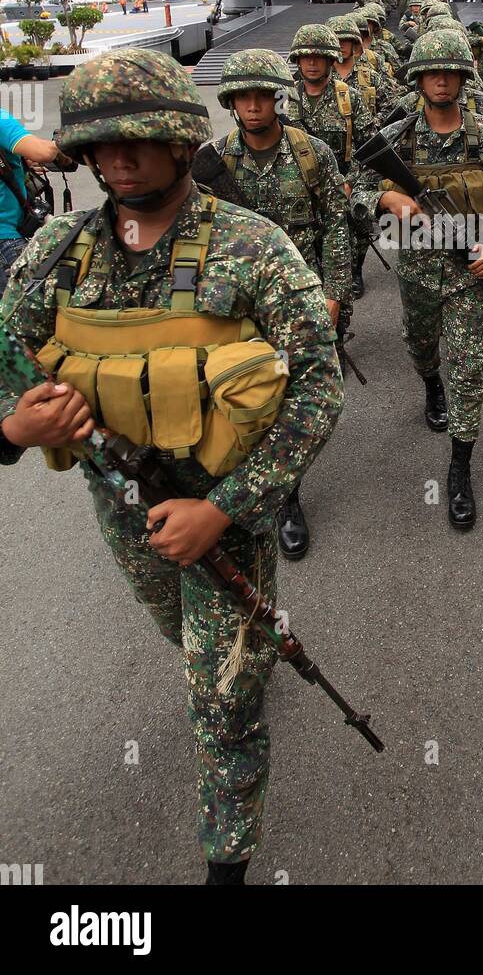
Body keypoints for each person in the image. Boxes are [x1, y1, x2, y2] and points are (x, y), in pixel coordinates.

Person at [0, 48, 343, 884]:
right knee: (182, 637)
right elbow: (9, 365)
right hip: (124, 513)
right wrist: (13, 427)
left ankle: (227, 866)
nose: (120, 158)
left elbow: (316, 391)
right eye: (103, 144)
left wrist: (224, 511)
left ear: (183, 142)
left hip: (225, 507)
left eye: (141, 139)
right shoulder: (55, 256)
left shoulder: (250, 248)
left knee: (224, 703)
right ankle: (238, 650)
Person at [351, 32, 483, 531]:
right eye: (433, 72)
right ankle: (430, 383)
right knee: (419, 344)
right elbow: (355, 189)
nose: (443, 80)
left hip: (471, 273)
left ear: (463, 78)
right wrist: (386, 202)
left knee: (470, 368)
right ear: (419, 79)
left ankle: (460, 466)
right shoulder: (397, 136)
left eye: (451, 72)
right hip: (416, 271)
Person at [193, 48, 352, 561]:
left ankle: (285, 488)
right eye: (245, 96)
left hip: (299, 294)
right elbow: (196, 237)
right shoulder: (211, 162)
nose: (255, 106)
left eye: (263, 95)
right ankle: (287, 498)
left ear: (276, 98)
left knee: (298, 394)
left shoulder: (312, 153)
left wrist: (333, 293)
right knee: (253, 394)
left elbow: (336, 225)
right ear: (232, 102)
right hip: (238, 304)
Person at [284, 23, 375, 299]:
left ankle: (354, 271)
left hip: (341, 185)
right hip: (296, 188)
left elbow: (370, 149)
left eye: (318, 56)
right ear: (297, 60)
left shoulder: (349, 99)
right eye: (305, 57)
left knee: (356, 229)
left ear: (330, 60)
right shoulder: (283, 100)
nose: (311, 63)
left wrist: (349, 184)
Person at [0, 110, 69, 294]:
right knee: (27, 309)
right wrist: (74, 137)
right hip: (4, 239)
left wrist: (19, 163)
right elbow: (43, 152)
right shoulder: (1, 120)